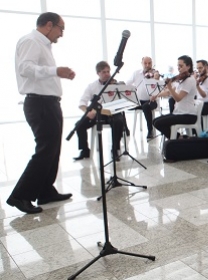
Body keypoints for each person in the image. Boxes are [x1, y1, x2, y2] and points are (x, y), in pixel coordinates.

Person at [7, 12, 75, 214]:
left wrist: (58, 73)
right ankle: (20, 195)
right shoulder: (31, 41)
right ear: (48, 25)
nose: (61, 34)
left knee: (53, 149)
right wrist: (55, 71)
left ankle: (45, 190)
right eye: (60, 28)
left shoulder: (42, 45)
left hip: (49, 102)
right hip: (40, 103)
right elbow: (25, 68)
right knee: (45, 150)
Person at [73, 61, 125, 161]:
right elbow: (82, 102)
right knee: (79, 125)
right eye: (104, 72)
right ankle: (84, 151)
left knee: (119, 122)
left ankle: (115, 150)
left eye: (108, 71)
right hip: (99, 113)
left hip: (112, 112)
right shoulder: (92, 86)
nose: (107, 74)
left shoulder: (115, 84)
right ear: (98, 73)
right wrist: (87, 112)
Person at [151, 55, 198, 139]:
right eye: (178, 66)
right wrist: (156, 95)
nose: (178, 68)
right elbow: (169, 92)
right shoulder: (182, 79)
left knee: (158, 123)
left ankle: (178, 139)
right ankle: (180, 138)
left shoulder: (189, 80)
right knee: (155, 121)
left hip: (188, 115)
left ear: (188, 66)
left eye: (181, 66)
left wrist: (169, 87)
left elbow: (178, 98)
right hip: (179, 112)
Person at [126, 56, 160, 140]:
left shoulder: (155, 74)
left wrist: (156, 78)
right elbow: (127, 83)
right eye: (145, 63)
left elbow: (160, 87)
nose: (147, 65)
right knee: (124, 106)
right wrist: (134, 88)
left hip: (151, 101)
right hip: (139, 101)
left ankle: (150, 131)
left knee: (145, 106)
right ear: (141, 63)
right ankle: (125, 129)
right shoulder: (136, 73)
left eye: (149, 63)